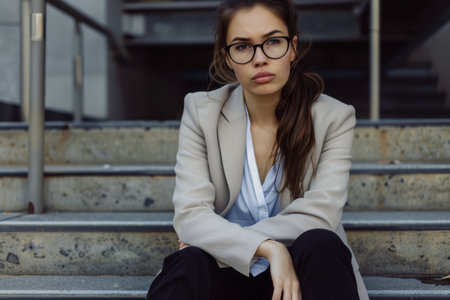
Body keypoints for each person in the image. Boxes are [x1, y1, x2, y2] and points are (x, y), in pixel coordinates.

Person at [146, 0, 369, 299]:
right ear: (226, 58)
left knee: (321, 242)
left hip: (300, 278)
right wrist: (267, 248)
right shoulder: (202, 112)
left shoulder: (333, 118)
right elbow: (189, 216)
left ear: (292, 47)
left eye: (273, 42)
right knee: (188, 263)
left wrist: (220, 237)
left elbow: (322, 214)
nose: (259, 59)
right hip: (226, 272)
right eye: (242, 46)